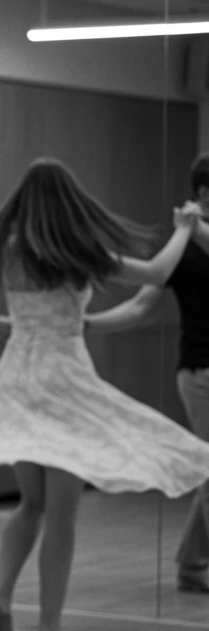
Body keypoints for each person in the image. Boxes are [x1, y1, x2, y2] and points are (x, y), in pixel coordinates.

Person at [0, 157, 209, 631]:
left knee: (33, 503)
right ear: (69, 203)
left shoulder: (7, 251)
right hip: (63, 380)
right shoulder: (74, 251)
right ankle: (50, 630)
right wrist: (183, 229)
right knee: (61, 513)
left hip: (19, 375)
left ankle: (0, 600)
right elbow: (154, 272)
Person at [85, 151, 209, 595]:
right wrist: (84, 324)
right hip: (201, 374)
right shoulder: (180, 249)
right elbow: (140, 305)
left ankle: (193, 563)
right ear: (204, 193)